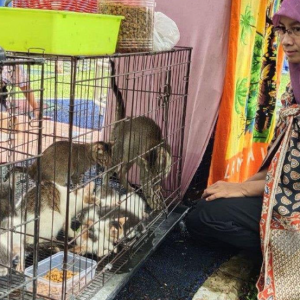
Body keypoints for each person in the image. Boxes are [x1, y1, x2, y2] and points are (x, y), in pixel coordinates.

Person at [185, 0, 300, 299]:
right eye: (283, 30)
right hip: (285, 198)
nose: (287, 41)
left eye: (298, 30)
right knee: (205, 209)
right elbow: (284, 169)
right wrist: (239, 187)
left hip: (295, 210)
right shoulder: (294, 89)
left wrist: (242, 190)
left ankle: (282, 253)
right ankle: (273, 245)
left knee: (205, 218)